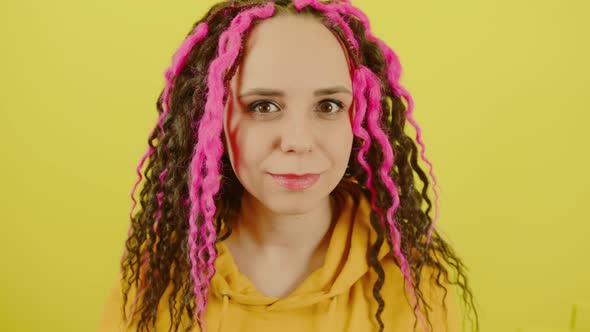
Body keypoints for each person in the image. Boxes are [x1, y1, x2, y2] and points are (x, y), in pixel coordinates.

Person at [100, 0, 479, 331]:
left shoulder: (415, 283)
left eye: (328, 105)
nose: (297, 141)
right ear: (211, 118)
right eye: (264, 106)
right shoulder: (156, 281)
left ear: (359, 118)